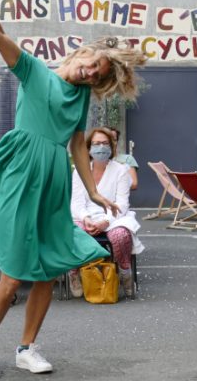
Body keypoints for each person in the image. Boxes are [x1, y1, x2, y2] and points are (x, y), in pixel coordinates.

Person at [0, 0, 146, 378]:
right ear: (85, 53)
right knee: (14, 271)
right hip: (22, 171)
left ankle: (27, 347)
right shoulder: (35, 71)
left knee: (47, 271)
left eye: (96, 76)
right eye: (92, 66)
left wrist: (92, 191)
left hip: (53, 178)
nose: (89, 74)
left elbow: (76, 145)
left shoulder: (81, 96)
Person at [69, 127, 144, 298]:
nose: (100, 147)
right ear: (88, 148)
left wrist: (106, 221)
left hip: (115, 217)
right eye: (96, 144)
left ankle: (125, 273)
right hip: (86, 216)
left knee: (120, 236)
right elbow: (76, 202)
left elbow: (122, 204)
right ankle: (74, 274)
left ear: (111, 147)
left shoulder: (121, 170)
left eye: (104, 143)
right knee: (73, 233)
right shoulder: (80, 170)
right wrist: (86, 218)